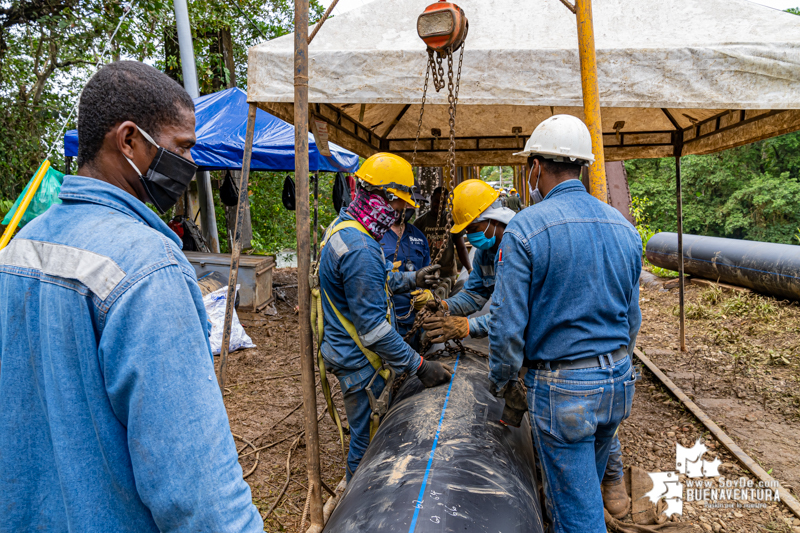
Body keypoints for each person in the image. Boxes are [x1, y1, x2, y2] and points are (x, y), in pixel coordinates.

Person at [0, 61, 263, 532]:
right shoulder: (148, 267)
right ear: (129, 140)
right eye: (182, 148)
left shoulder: (17, 248)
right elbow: (199, 493)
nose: (190, 165)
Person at [487, 115, 641, 533]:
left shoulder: (526, 228)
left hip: (564, 391)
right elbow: (632, 320)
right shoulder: (624, 230)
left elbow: (506, 324)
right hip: (618, 382)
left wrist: (502, 380)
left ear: (535, 167)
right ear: (582, 165)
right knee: (584, 483)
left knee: (577, 515)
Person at [317, 152, 451, 480]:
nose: (401, 214)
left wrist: (413, 280)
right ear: (384, 199)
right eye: (399, 207)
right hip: (361, 363)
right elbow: (375, 330)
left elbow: (372, 284)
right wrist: (421, 367)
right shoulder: (361, 248)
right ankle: (358, 500)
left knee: (369, 434)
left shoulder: (344, 229)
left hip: (345, 351)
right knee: (367, 442)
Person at [419, 180, 515, 353]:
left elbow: (514, 314)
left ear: (493, 220)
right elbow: (474, 294)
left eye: (473, 228)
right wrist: (444, 305)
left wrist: (467, 326)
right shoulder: (484, 254)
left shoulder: (519, 250)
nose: (470, 237)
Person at [379, 194, 431, 350]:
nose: (409, 206)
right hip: (386, 319)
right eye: (404, 201)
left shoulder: (419, 237)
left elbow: (427, 273)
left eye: (412, 203)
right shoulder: (376, 234)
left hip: (415, 320)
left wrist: (428, 294)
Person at [415, 186, 472, 278]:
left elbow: (461, 248)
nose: (439, 206)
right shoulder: (420, 223)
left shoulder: (451, 221)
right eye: (437, 201)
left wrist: (469, 269)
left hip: (448, 274)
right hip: (426, 273)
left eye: (443, 203)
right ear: (431, 198)